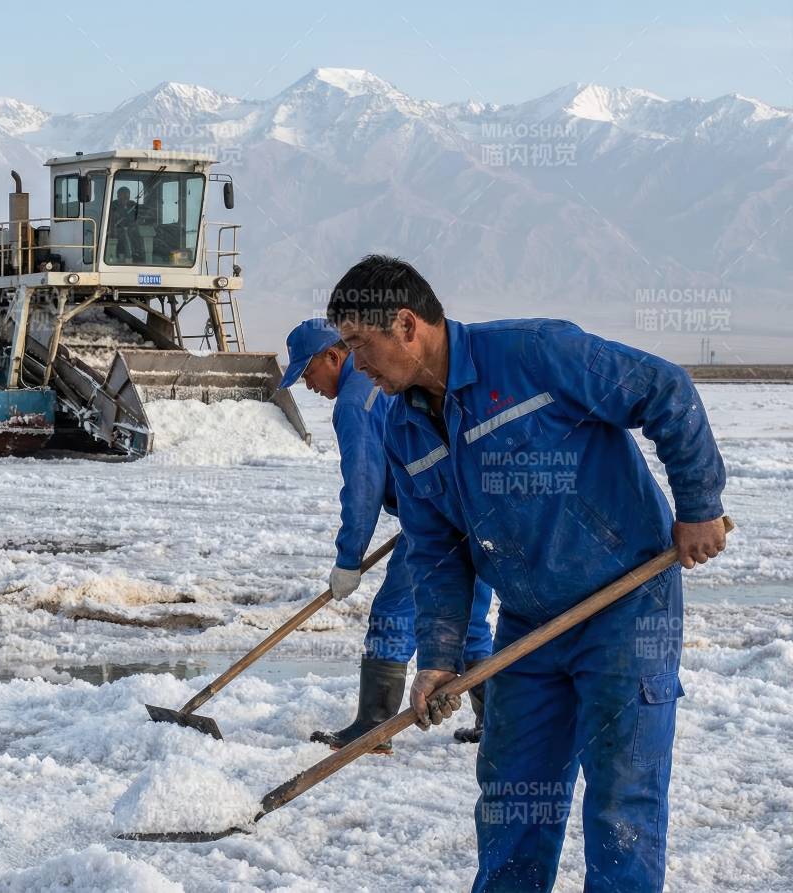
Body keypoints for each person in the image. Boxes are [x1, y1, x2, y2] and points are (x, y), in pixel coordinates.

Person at [326, 254, 727, 892]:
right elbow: (437, 553)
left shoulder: (534, 355)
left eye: (358, 344)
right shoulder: (403, 427)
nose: (354, 363)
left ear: (406, 325)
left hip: (626, 607)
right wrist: (438, 656)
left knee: (622, 800)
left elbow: (664, 389)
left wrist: (700, 507)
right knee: (513, 796)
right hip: (528, 622)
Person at [277, 319, 493, 753]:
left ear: (333, 357)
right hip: (476, 506)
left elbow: (363, 483)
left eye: (308, 373)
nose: (308, 384)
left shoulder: (355, 402)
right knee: (467, 618)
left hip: (436, 516)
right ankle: (501, 726)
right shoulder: (386, 385)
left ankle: (373, 727)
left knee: (394, 611)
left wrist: (348, 557)